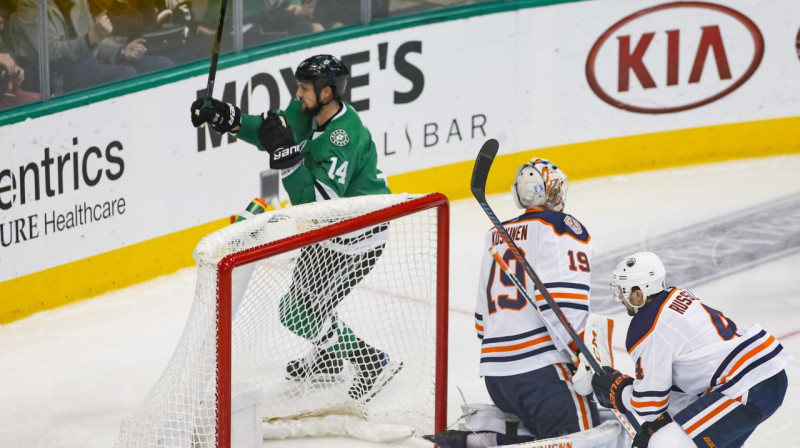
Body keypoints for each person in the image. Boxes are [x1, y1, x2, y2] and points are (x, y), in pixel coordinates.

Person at [189, 54, 399, 401]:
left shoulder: (344, 136)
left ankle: (373, 362)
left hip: (357, 238)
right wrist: (225, 117)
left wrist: (287, 160)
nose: (297, 94)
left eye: (304, 88)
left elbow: (320, 206)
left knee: (299, 313)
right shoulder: (305, 111)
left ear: (327, 92)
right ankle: (330, 357)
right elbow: (273, 131)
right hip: (326, 234)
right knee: (307, 308)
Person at [427, 159, 598, 447]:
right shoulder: (561, 228)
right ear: (551, 192)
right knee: (587, 438)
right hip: (542, 369)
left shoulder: (495, 234)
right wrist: (586, 357)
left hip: (497, 376)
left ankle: (479, 440)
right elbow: (564, 304)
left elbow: (482, 322)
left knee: (540, 433)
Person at [592, 252, 790, 448]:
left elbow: (649, 406)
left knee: (662, 442)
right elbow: (683, 386)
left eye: (622, 292)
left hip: (744, 387)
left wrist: (618, 392)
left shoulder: (647, 326)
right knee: (679, 435)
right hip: (761, 375)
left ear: (637, 294)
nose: (621, 299)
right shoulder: (678, 296)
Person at [10, 0, 174, 94]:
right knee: (126, 74)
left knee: (162, 64)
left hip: (89, 61)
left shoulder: (78, 2)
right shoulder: (31, 7)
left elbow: (96, 38)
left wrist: (122, 51)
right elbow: (52, 53)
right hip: (60, 74)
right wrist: (93, 37)